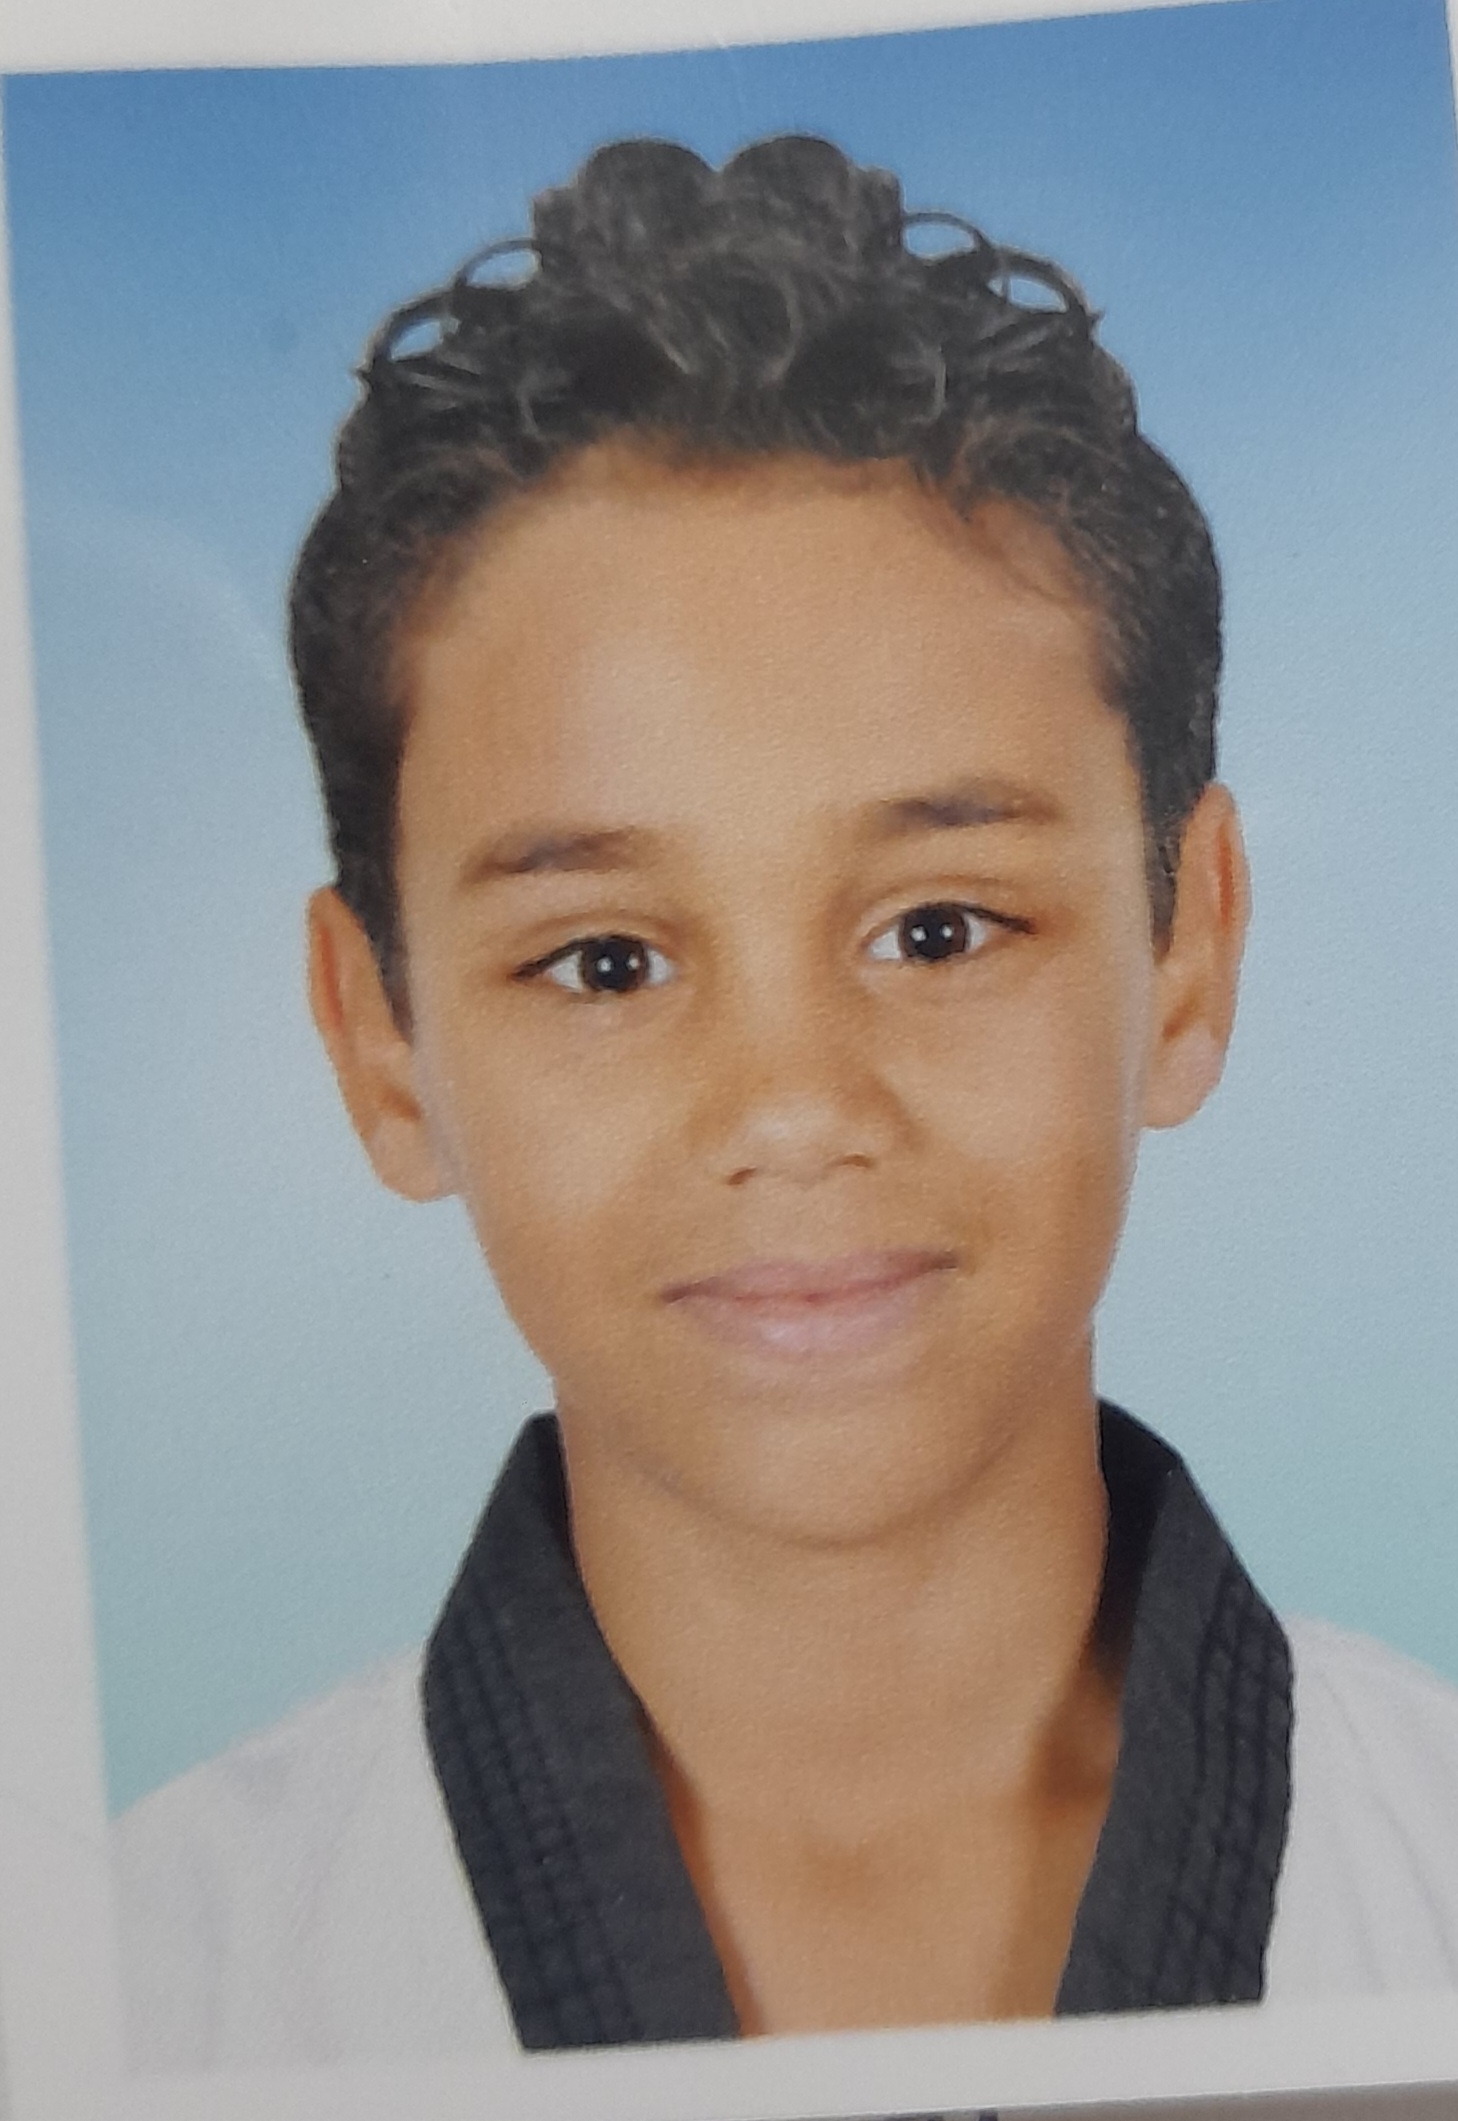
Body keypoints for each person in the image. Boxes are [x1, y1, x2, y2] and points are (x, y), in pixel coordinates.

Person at [116, 135, 1458, 2068]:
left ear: (1188, 945)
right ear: (377, 1034)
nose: (793, 1107)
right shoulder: (138, 1990)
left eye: (937, 928)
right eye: (606, 961)